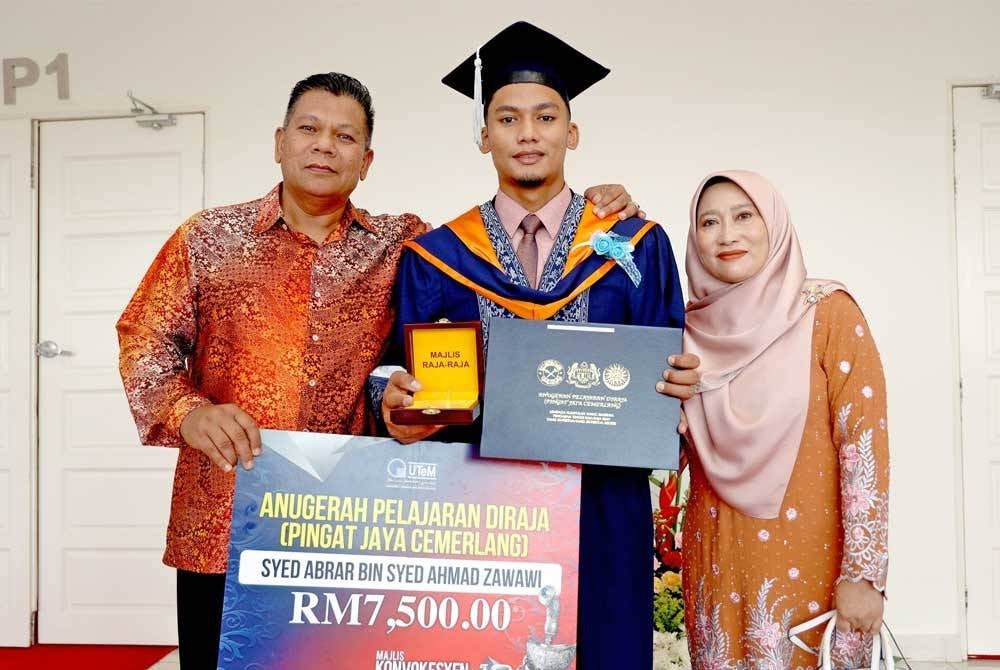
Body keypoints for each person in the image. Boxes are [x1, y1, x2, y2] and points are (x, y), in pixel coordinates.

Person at [117, 71, 641, 668]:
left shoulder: (404, 245)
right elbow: (145, 338)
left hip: (356, 522)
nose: (324, 145)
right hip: (227, 511)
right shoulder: (207, 238)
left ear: (366, 160)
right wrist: (189, 412)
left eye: (345, 137)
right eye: (309, 129)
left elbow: (421, 345)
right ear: (279, 141)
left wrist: (598, 208)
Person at [381, 22, 698, 669]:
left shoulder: (633, 248)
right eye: (508, 117)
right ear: (484, 135)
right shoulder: (437, 259)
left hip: (604, 509)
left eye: (545, 116)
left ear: (571, 132)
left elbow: (664, 374)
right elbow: (401, 378)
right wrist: (394, 397)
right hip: (483, 510)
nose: (528, 133)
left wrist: (681, 388)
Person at [680, 170, 889, 669]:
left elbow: (864, 448)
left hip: (813, 567)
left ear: (773, 224)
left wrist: (863, 574)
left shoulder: (828, 313)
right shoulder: (685, 333)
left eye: (744, 216)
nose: (727, 235)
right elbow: (667, 461)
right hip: (716, 560)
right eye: (709, 222)